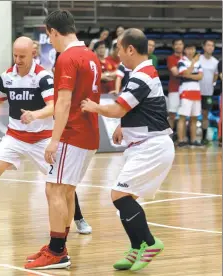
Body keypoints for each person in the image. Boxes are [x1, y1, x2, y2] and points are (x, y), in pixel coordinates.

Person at [0, 36, 92, 238]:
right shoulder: (7, 76)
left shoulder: (43, 77)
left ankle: (79, 218)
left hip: (42, 138)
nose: (17, 60)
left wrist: (35, 115)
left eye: (22, 56)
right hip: (15, 136)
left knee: (61, 182)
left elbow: (54, 106)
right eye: (15, 55)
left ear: (33, 54)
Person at [81, 28, 174, 271]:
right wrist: (123, 125)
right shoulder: (139, 73)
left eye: (120, 49)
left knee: (119, 195)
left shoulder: (142, 75)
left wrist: (94, 106)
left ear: (130, 49)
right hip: (144, 145)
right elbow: (135, 108)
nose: (118, 54)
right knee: (126, 197)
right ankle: (136, 248)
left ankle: (150, 243)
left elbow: (118, 108)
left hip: (151, 147)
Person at [25, 10, 101, 270]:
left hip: (73, 133)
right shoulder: (91, 56)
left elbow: (64, 102)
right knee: (65, 190)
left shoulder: (67, 58)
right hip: (89, 133)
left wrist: (54, 140)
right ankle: (58, 245)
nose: (51, 42)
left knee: (54, 189)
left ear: (53, 32)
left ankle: (57, 252)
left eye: (50, 37)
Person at [176, 44, 203, 147]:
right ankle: (181, 140)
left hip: (196, 91)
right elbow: (184, 73)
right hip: (185, 91)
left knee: (194, 117)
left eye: (193, 49)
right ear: (185, 50)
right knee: (182, 117)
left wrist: (189, 75)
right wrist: (192, 64)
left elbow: (200, 76)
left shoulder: (199, 63)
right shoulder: (181, 61)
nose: (191, 51)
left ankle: (193, 140)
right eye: (188, 49)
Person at [199, 40, 219, 145]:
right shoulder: (198, 59)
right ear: (204, 46)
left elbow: (216, 75)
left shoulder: (215, 62)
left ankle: (204, 137)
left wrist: (212, 83)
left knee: (205, 115)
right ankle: (188, 137)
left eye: (212, 46)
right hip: (195, 92)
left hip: (208, 93)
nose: (210, 47)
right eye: (208, 45)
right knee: (191, 115)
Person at [166, 39, 184, 137]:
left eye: (180, 44)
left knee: (183, 115)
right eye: (176, 44)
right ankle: (169, 138)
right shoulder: (171, 58)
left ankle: (182, 138)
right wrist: (189, 73)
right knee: (172, 115)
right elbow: (175, 73)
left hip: (186, 90)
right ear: (173, 46)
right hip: (174, 89)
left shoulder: (186, 59)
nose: (178, 46)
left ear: (183, 46)